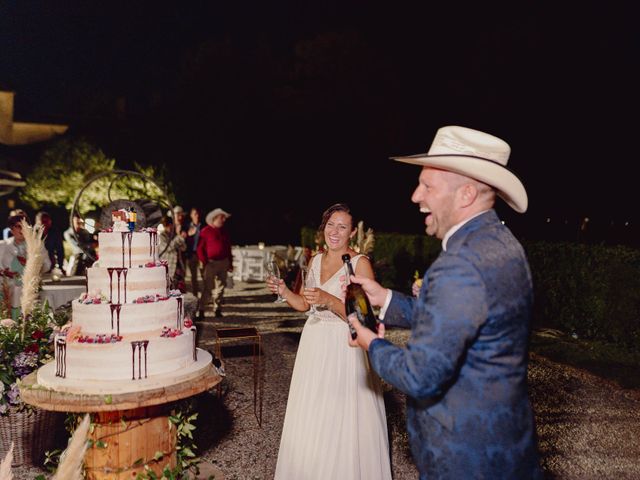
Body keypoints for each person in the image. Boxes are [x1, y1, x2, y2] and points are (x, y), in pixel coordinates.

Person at [347, 125, 542, 479]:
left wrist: (371, 343)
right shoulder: (503, 244)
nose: (415, 196)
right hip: (506, 448)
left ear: (466, 193)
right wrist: (386, 299)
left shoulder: (459, 264)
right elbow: (464, 322)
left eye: (428, 186)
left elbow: (419, 376)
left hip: (464, 459)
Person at [268, 203, 392, 480]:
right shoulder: (315, 260)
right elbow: (304, 304)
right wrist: (285, 290)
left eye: (342, 226)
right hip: (313, 345)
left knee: (341, 416)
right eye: (331, 225)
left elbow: (364, 316)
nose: (335, 232)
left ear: (351, 233)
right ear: (323, 227)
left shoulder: (360, 263)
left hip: (343, 347)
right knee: (312, 413)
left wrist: (330, 300)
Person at [0, 213, 51, 319]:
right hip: (7, 290)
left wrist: (32, 265)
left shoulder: (37, 245)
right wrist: (4, 272)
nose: (22, 229)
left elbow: (47, 265)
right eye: (18, 226)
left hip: (30, 289)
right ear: (11, 229)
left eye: (25, 226)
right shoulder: (3, 245)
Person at [196, 208, 233, 318]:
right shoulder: (205, 231)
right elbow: (200, 249)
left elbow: (228, 249)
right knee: (208, 287)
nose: (223, 220)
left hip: (223, 262)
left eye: (224, 218)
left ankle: (217, 309)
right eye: (222, 218)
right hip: (210, 263)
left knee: (221, 287)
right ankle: (201, 310)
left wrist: (230, 263)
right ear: (214, 218)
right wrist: (205, 262)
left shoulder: (224, 232)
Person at [157, 215, 187, 290]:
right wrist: (179, 237)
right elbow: (168, 248)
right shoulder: (161, 236)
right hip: (168, 267)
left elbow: (184, 248)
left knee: (177, 290)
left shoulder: (174, 235)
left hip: (177, 266)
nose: (170, 227)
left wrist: (180, 237)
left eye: (171, 225)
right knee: (167, 289)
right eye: (168, 225)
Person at [185, 207, 202, 297]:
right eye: (195, 214)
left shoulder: (203, 226)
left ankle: (206, 297)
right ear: (191, 215)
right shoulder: (187, 227)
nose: (197, 215)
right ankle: (195, 296)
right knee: (194, 277)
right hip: (192, 254)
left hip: (202, 255)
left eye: (198, 213)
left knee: (205, 276)